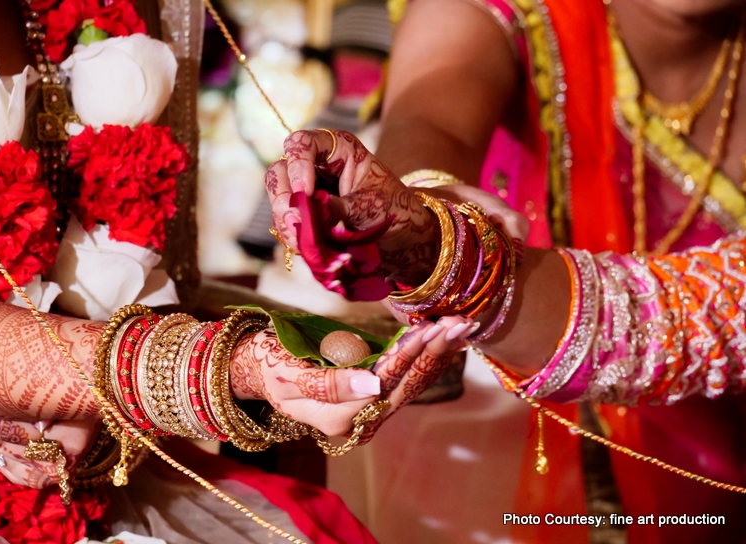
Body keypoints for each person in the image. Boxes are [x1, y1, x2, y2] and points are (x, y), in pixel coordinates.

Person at [0, 0, 468, 542]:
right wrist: (234, 373)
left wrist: (407, 252)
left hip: (117, 464)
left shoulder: (145, 9)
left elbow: (161, 280)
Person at [264, 0, 746, 542]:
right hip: (510, 473)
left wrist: (456, 263)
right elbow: (433, 114)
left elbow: (713, 315)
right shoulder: (514, 14)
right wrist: (420, 212)